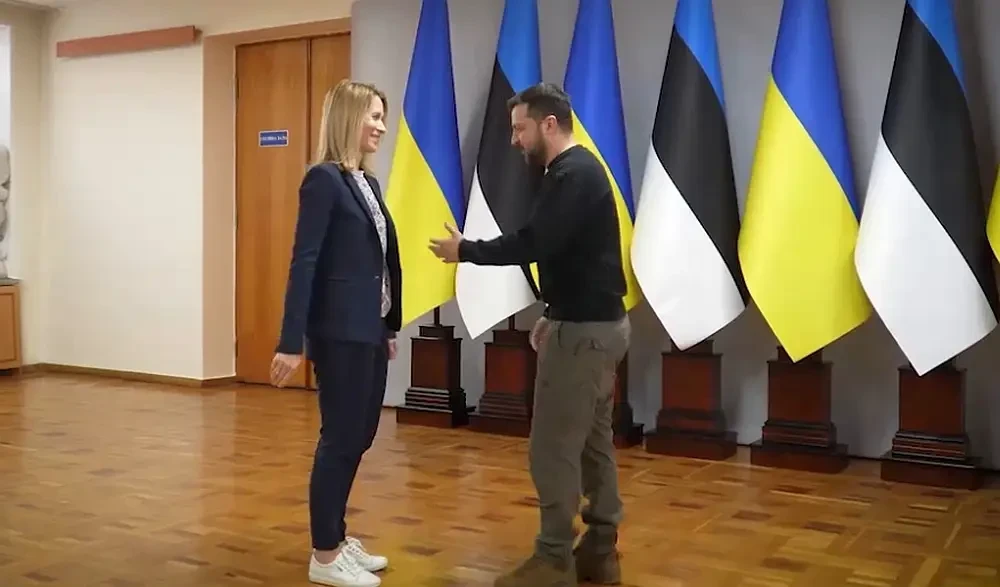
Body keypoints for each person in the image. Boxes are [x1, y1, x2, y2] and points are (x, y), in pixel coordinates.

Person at [429, 82, 631, 587]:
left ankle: (554, 559)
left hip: (581, 335)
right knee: (593, 442)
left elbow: (536, 243)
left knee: (552, 449)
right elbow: (570, 254)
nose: (515, 139)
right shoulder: (577, 172)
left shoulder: (572, 174)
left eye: (520, 129)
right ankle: (600, 551)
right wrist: (552, 311)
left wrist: (466, 250)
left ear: (548, 124)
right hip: (594, 323)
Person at [270, 79, 402, 587]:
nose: (382, 127)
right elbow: (304, 262)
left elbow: (379, 263)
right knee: (340, 438)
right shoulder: (323, 180)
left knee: (360, 435)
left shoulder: (366, 182)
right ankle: (324, 556)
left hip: (369, 330)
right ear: (348, 117)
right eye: (374, 116)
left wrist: (386, 324)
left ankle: (338, 538)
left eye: (383, 117)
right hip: (339, 333)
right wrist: (291, 342)